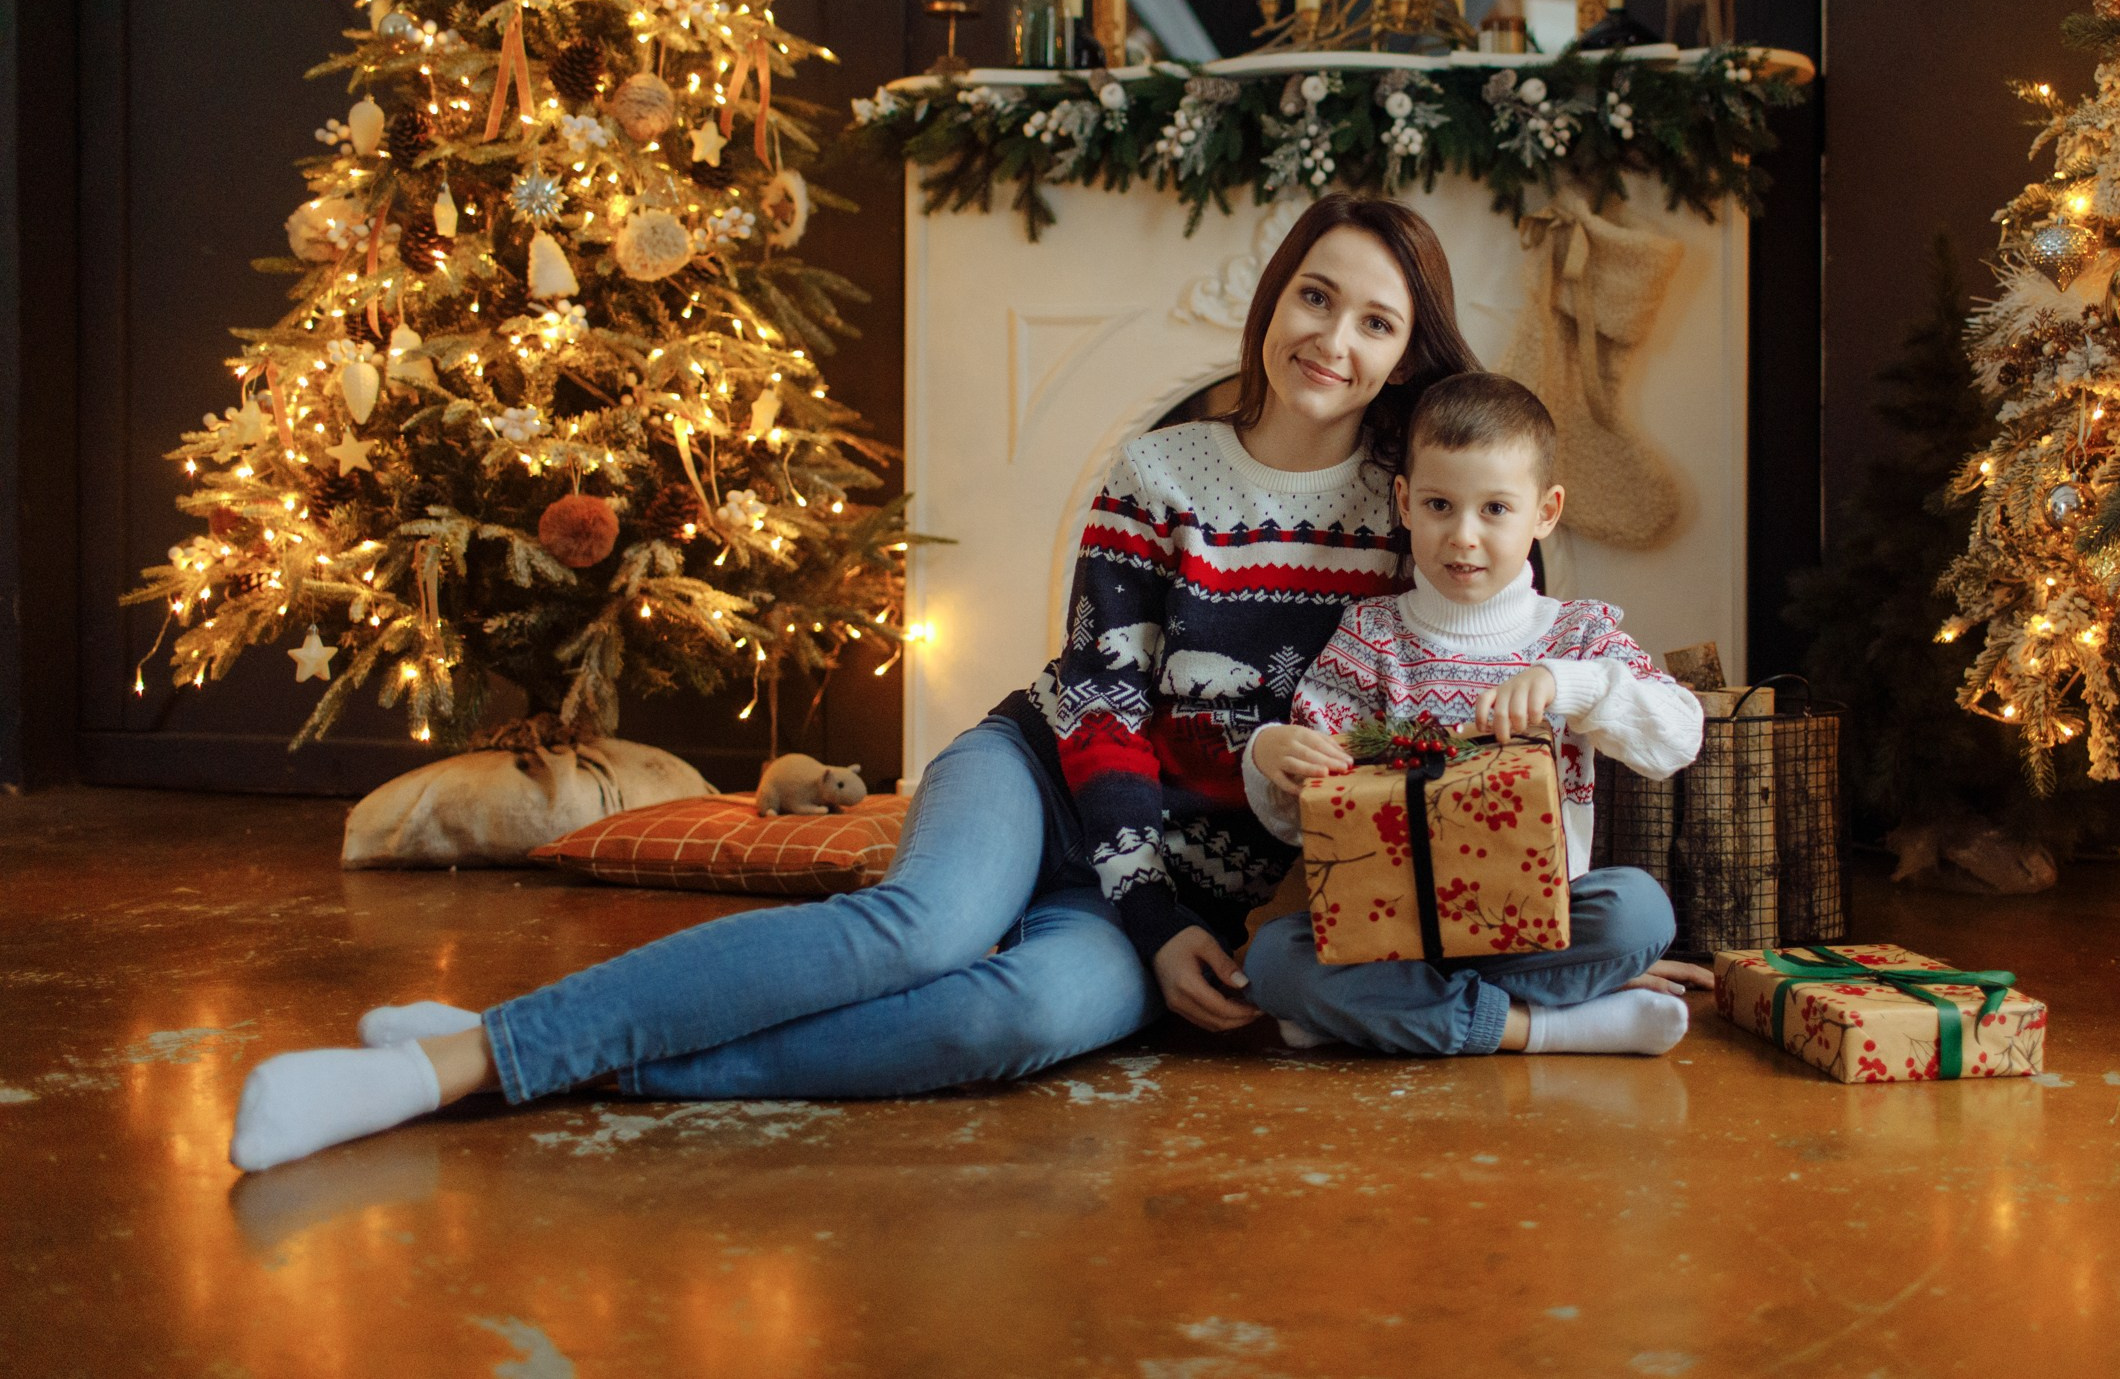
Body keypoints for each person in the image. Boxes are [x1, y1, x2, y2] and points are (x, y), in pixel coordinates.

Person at [225, 192, 1486, 1172]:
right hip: (1049, 779)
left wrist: (1556, 954)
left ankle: (507, 1059)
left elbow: (1456, 688)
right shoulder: (1158, 472)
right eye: (1315, 297)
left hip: (1184, 887)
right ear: (1274, 300)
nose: (1333, 338)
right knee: (923, 928)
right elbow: (1101, 705)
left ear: (1404, 351)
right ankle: (439, 1073)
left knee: (1000, 1025)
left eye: (1375, 321)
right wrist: (1156, 918)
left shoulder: (1408, 513)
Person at [1241, 371, 1709, 1058]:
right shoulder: (1370, 636)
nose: (1463, 535)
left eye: (1494, 509)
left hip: (1536, 926)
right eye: (1439, 504)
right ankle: (1551, 1025)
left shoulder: (1576, 635)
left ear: (1545, 512)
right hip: (1389, 931)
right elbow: (1299, 820)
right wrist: (1269, 757)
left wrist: (1570, 684)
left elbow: (1679, 735)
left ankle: (1379, 1016)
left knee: (1638, 911)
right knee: (1274, 958)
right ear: (1404, 500)